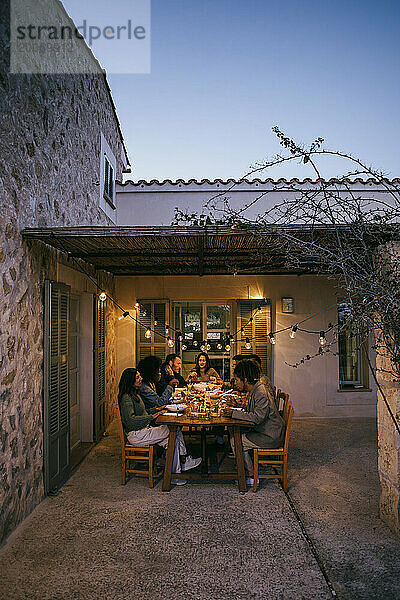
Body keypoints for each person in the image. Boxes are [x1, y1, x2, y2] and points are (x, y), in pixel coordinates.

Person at [118, 368, 201, 485]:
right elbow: (131, 421)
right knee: (174, 430)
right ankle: (182, 461)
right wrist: (153, 416)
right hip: (137, 435)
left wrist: (157, 409)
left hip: (143, 431)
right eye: (137, 377)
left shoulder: (134, 393)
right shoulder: (127, 398)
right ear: (130, 381)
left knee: (172, 441)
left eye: (140, 376)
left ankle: (175, 473)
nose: (141, 378)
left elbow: (143, 412)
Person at [221, 359, 285, 485]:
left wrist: (234, 413)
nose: (236, 383)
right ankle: (244, 468)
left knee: (236, 441)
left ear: (245, 380)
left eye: (237, 380)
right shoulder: (255, 389)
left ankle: (250, 476)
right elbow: (254, 410)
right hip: (265, 431)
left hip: (270, 436)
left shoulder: (260, 392)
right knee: (234, 433)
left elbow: (257, 418)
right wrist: (238, 405)